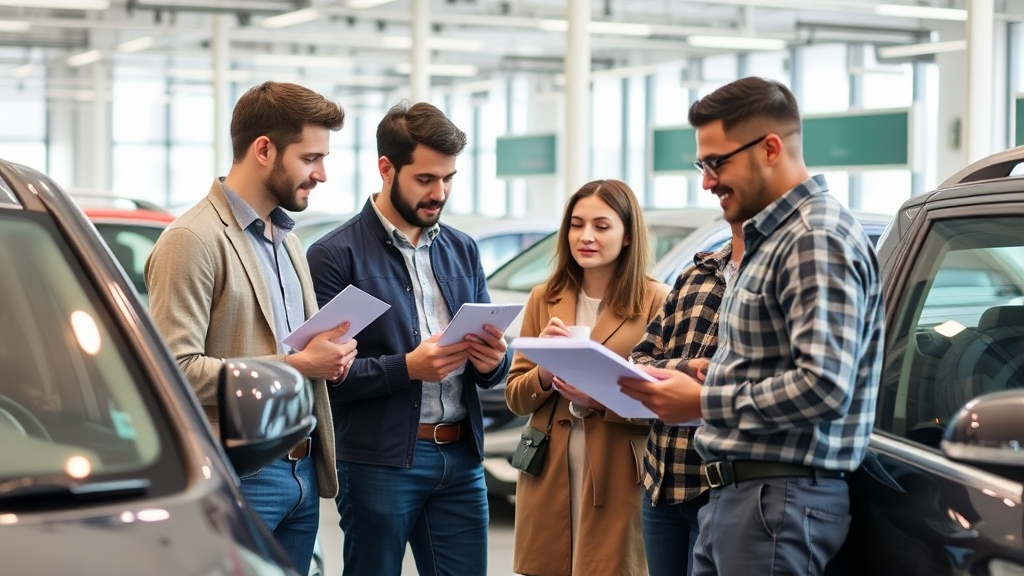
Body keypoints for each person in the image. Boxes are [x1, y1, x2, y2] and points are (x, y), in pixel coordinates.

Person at [619, 76, 885, 576]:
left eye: (716, 163)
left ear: (770, 148)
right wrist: (710, 376)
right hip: (742, 497)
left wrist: (703, 401)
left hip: (776, 498)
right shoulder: (772, 240)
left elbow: (826, 385)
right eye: (702, 165)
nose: (707, 182)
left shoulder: (814, 237)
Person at [145, 81, 357, 574]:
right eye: (310, 158)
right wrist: (297, 365)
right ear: (264, 149)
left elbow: (292, 350)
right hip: (240, 475)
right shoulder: (191, 240)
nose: (322, 174)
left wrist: (329, 358)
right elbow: (174, 371)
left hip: (301, 468)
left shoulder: (288, 241)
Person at [306, 101, 510, 576]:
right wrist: (408, 368)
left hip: (462, 458)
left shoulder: (463, 248)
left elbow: (493, 361)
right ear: (386, 168)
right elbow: (325, 376)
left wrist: (494, 361)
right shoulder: (334, 256)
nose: (439, 193)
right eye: (425, 179)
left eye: (448, 178)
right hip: (378, 462)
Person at [504, 179, 669, 576]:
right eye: (576, 225)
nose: (586, 236)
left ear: (627, 235)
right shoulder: (545, 296)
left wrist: (600, 397)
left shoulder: (657, 300)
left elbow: (667, 405)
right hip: (548, 470)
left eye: (601, 226)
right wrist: (545, 370)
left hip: (619, 474)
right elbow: (516, 397)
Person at [630, 220, 743, 576]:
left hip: (719, 486)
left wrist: (695, 381)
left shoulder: (772, 278)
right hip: (660, 482)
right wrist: (685, 368)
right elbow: (639, 359)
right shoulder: (695, 274)